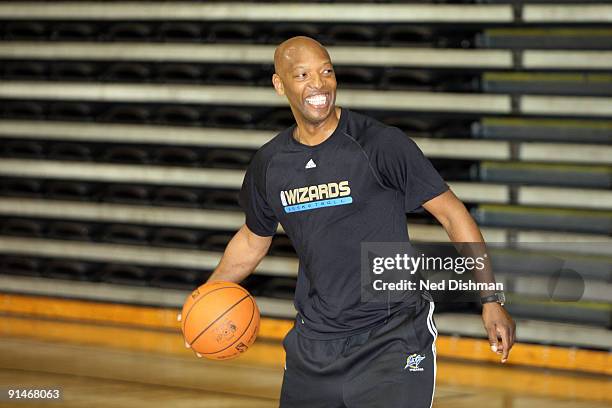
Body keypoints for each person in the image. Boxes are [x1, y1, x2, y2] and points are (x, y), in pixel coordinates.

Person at [193, 36, 515, 407]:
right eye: (302, 74)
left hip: (392, 335)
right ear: (279, 84)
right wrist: (204, 298)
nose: (319, 84)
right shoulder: (270, 164)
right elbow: (253, 240)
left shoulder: (380, 144)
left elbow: (452, 213)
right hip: (315, 344)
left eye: (326, 71)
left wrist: (490, 298)